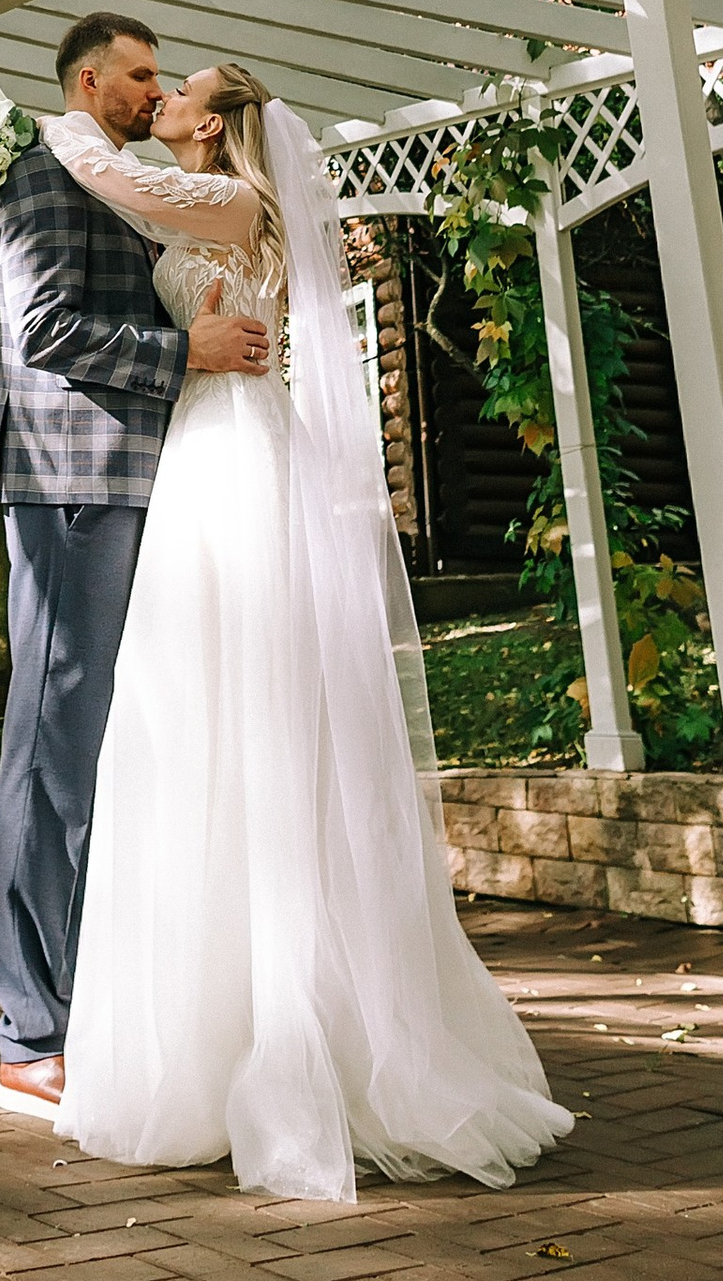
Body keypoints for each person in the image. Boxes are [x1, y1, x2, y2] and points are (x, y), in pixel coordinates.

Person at [43, 63, 574, 1203]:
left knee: (253, 710)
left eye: (177, 94)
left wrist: (56, 118)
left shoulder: (235, 205)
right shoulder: (211, 204)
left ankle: (291, 1044)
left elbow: (100, 172)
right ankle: (211, 1030)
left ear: (219, 122)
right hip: (203, 445)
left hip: (238, 456)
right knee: (194, 717)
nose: (162, 105)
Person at [0, 14, 273, 1121]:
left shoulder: (135, 187)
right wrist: (180, 352)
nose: (154, 94)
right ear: (89, 80)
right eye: (140, 75)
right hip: (69, 484)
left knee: (123, 751)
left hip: (157, 484)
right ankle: (29, 1035)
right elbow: (42, 328)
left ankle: (100, 1000)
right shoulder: (39, 179)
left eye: (165, 78)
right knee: (53, 750)